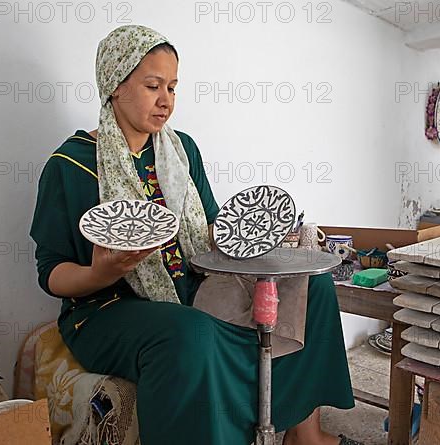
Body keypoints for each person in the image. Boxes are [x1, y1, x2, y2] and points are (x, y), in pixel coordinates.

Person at [30, 25, 359, 445]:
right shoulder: (70, 164)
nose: (166, 99)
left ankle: (303, 433)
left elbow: (210, 233)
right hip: (106, 309)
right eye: (153, 86)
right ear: (114, 85)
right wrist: (102, 272)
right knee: (191, 332)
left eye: (172, 86)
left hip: (193, 288)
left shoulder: (182, 149)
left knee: (312, 286)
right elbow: (51, 272)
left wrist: (254, 232)